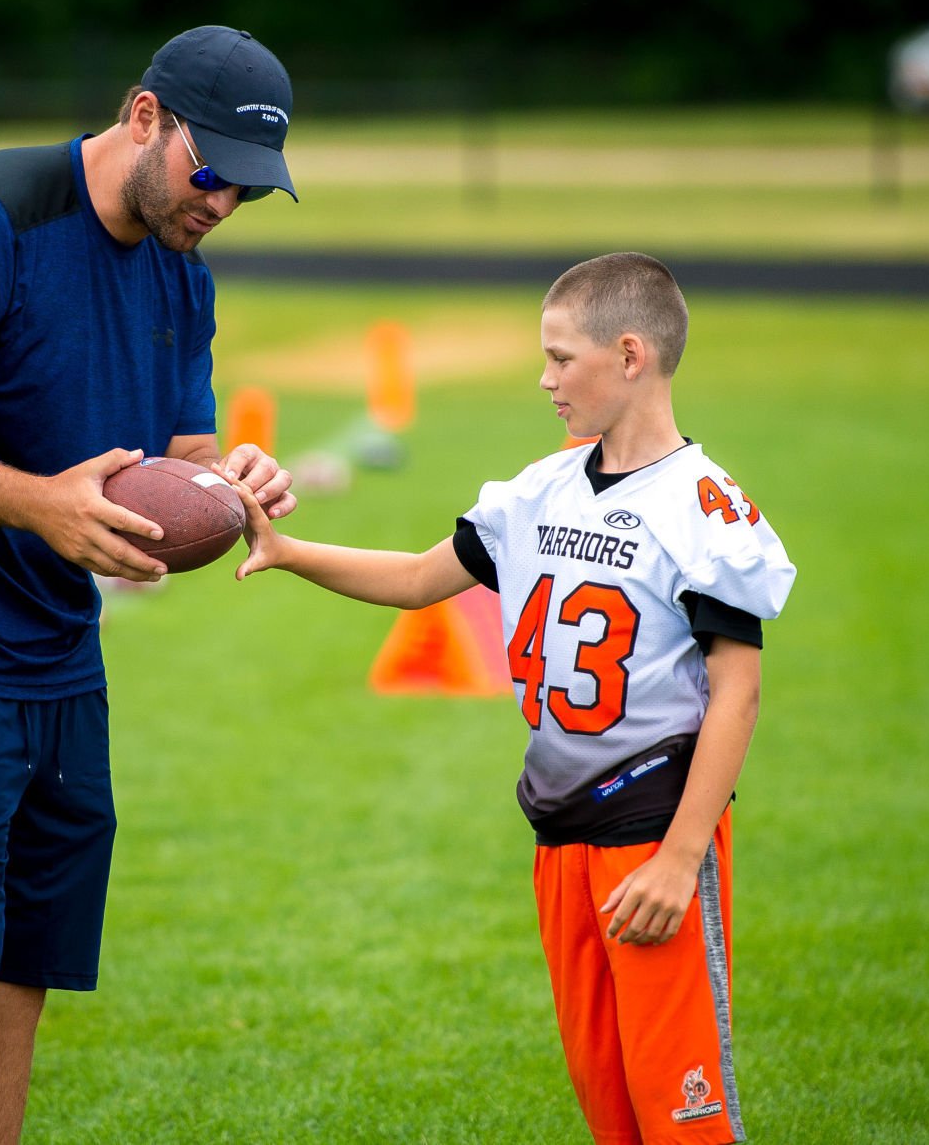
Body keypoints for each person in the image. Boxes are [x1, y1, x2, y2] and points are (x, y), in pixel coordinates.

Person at [0, 25, 300, 1145]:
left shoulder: (181, 270)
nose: (220, 204)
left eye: (249, 192)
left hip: (55, 642)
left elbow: (183, 452)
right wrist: (41, 504)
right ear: (142, 117)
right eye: (208, 171)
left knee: (25, 960)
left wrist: (235, 482)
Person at [227, 252, 796, 1144]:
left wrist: (681, 859)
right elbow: (421, 578)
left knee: (683, 1110)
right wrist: (293, 553)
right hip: (559, 837)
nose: (545, 379)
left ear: (631, 355)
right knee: (608, 1100)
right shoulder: (540, 489)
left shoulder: (702, 509)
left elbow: (739, 695)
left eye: (562, 358)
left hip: (651, 831)